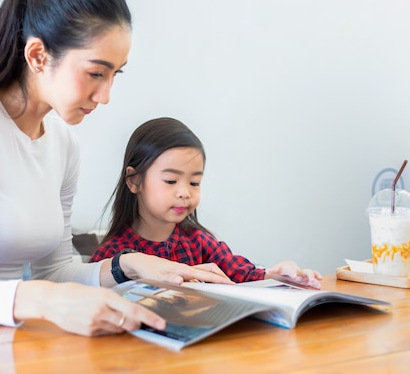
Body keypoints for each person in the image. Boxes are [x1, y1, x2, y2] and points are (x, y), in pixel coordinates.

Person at [0, 0, 232, 337]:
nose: (106, 96)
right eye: (96, 73)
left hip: (7, 340)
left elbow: (54, 271)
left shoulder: (63, 142)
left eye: (116, 74)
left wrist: (131, 265)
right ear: (37, 55)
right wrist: (45, 301)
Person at [90, 117, 322, 289]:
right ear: (134, 181)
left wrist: (279, 275)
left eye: (194, 182)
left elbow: (243, 274)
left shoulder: (199, 242)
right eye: (171, 180)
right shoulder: (113, 257)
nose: (184, 192)